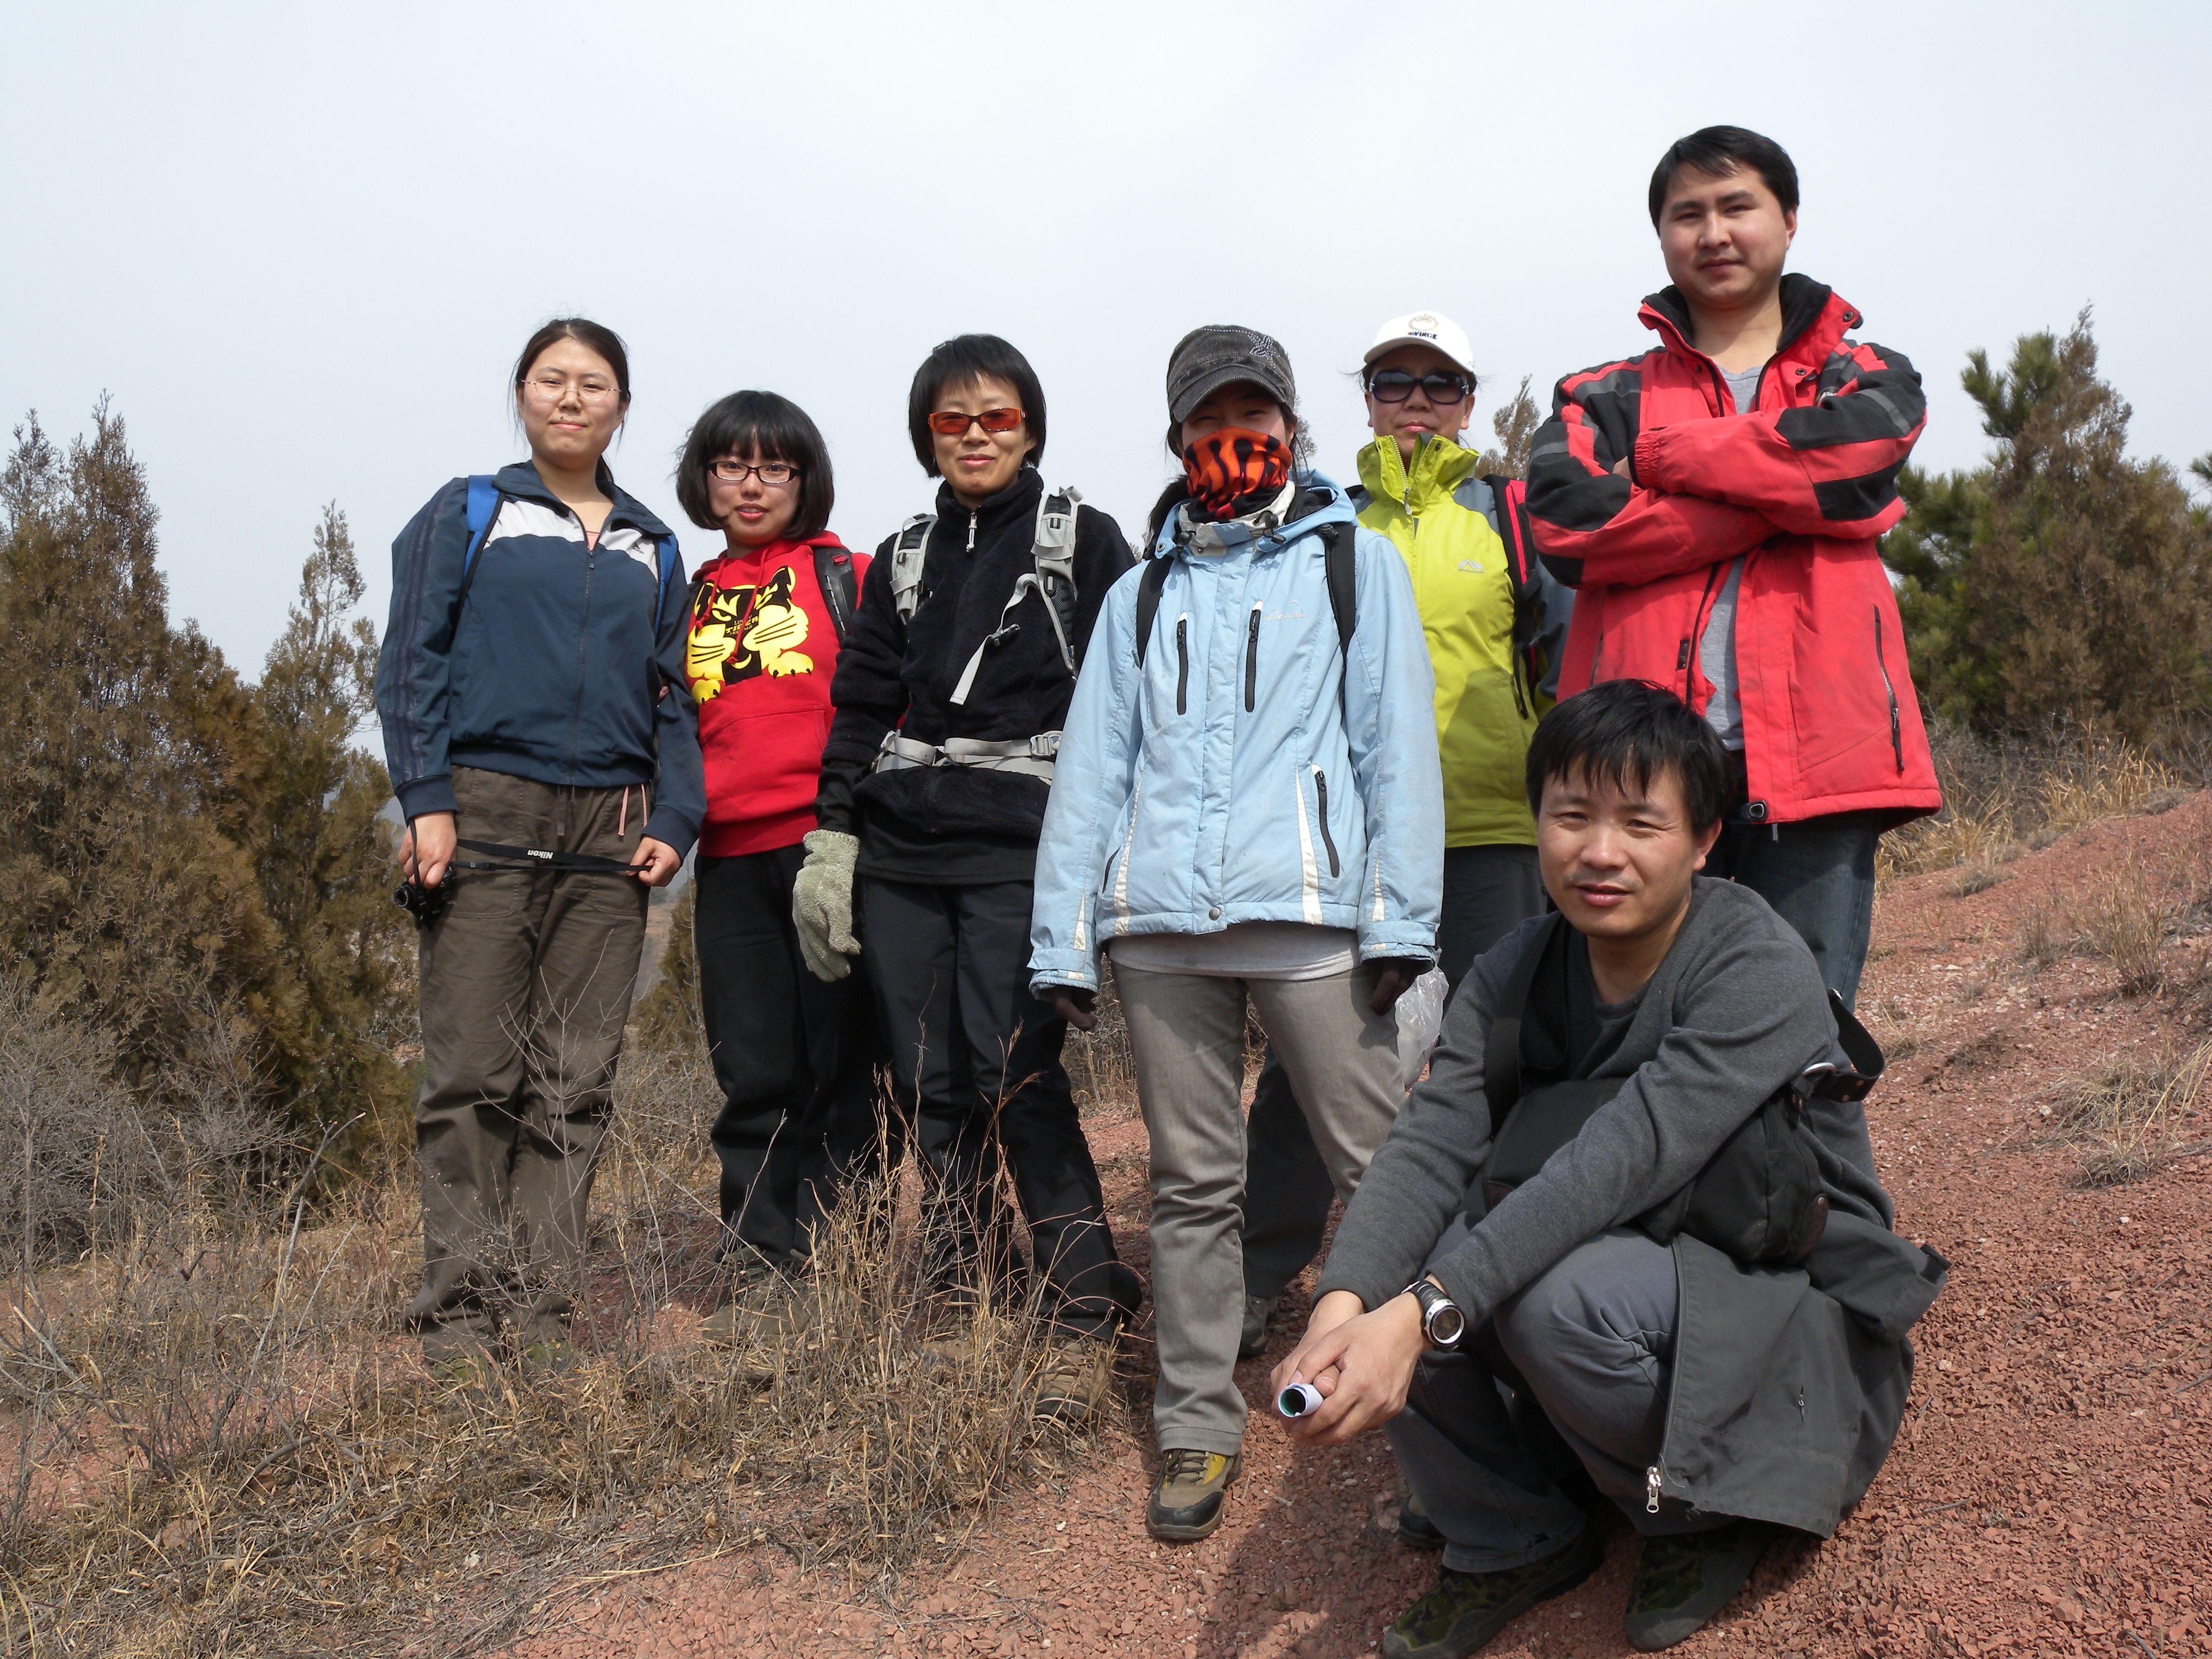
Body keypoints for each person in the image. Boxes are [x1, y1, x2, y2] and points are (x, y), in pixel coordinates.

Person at [1275, 680, 1943, 1656]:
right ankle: (1512, 1533)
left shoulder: (1753, 961)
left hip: (1774, 1267)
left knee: (1548, 1302)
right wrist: (1342, 1309)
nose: (1599, 852)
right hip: (1633, 1241)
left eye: (1640, 823)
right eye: (1572, 816)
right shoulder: (1516, 966)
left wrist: (1419, 1315)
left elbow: (1624, 1157)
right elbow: (1430, 1141)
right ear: (1537, 821)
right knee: (1410, 1262)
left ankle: (1702, 1510)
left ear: (1704, 840)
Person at [1030, 325, 1444, 1542]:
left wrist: (1401, 924)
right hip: (1161, 930)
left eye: (1253, 415)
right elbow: (1093, 775)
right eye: (1209, 418)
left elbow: (1396, 754)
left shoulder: (1354, 565)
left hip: (1313, 919)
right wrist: (1063, 940)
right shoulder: (1139, 593)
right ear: (1176, 437)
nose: (1233, 437)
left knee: (1390, 1175)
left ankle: (1454, 1436)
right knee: (1192, 1188)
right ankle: (1197, 1425)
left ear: (1292, 428)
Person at [795, 334, 1142, 1417]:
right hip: (902, 851)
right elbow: (861, 707)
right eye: (954, 420)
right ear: (927, 436)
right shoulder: (901, 557)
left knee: (1014, 1072)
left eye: (998, 416)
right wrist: (833, 840)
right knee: (928, 1080)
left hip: (1024, 847)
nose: (977, 435)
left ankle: (1083, 1302)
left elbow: (1128, 695)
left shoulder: (1085, 540)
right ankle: (965, 1288)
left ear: (1030, 426)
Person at [1524, 125, 1939, 1010]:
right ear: (1662, 237)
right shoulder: (1598, 393)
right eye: (1688, 215)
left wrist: (1663, 458)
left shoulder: (1864, 373)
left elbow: (1861, 451)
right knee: (1630, 1030)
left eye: (1737, 206)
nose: (1713, 233)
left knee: (1801, 1027)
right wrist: (1791, 497)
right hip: (1636, 772)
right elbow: (1567, 525)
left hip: (1821, 756)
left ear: (1788, 221)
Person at [1237, 311, 1575, 1363]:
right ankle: (1258, 1271)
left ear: (1470, 402)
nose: (1418, 402)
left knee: (1498, 1055)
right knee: (1307, 1059)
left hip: (1490, 829)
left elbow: (1562, 666)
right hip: (1352, 841)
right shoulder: (1328, 520)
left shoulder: (1513, 515)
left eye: (1440, 384)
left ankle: (1492, 1270)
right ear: (1368, 399)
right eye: (1395, 383)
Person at [375, 317, 701, 1378]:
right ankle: (458, 1324)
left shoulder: (655, 543)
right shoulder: (470, 510)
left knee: (573, 1083)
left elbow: (676, 698)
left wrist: (675, 818)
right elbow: (410, 659)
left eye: (593, 383)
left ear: (622, 407)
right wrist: (427, 799)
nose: (571, 398)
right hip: (485, 810)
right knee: (473, 1075)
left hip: (612, 829)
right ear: (521, 395)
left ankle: (543, 1317)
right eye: (551, 379)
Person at [670, 390, 884, 1346]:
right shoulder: (688, 599)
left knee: (844, 1069)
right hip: (726, 860)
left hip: (830, 850)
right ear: (705, 479)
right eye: (732, 465)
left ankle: (845, 1264)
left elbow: (890, 708)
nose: (752, 485)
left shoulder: (850, 578)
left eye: (774, 467)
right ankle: (760, 1266)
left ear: (806, 479)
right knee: (753, 1070)